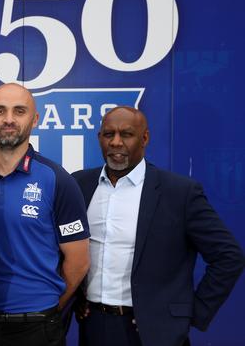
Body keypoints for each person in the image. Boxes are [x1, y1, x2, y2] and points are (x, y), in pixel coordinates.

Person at [72, 106, 245, 346]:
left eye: (127, 134)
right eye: (109, 134)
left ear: (145, 138)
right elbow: (67, 250)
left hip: (154, 332)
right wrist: (76, 296)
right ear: (99, 138)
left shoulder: (180, 192)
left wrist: (190, 313)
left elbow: (229, 256)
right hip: (92, 326)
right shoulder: (79, 184)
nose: (116, 142)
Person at [0, 83, 90, 346]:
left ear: (35, 119)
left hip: (36, 326)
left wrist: (46, 307)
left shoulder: (57, 179)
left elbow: (79, 261)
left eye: (19, 111)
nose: (8, 119)